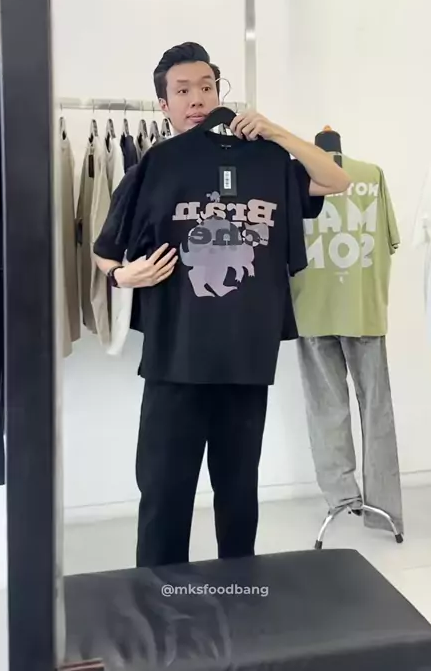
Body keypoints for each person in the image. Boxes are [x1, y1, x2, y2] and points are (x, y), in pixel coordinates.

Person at [93, 42, 350, 567]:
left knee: (238, 495)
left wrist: (276, 131)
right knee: (164, 495)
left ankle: (237, 595)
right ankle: (160, 601)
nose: (197, 99)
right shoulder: (156, 165)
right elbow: (104, 251)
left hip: (244, 358)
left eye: (207, 87)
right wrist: (123, 275)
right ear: (164, 104)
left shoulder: (268, 160)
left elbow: (337, 179)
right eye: (183, 90)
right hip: (175, 360)